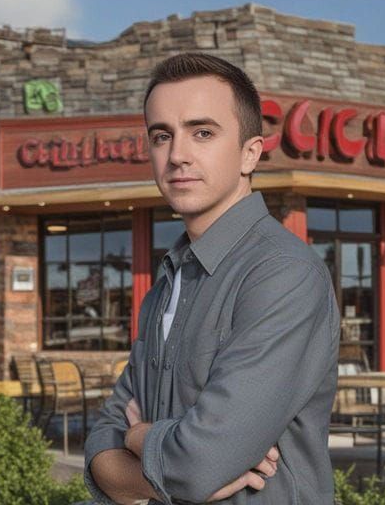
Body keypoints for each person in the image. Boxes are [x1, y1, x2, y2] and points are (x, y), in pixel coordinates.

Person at [83, 53, 339, 505]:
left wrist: (139, 436)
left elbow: (197, 463)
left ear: (250, 153)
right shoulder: (169, 281)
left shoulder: (282, 274)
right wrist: (168, 466)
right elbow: (101, 444)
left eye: (202, 132)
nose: (177, 155)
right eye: (162, 136)